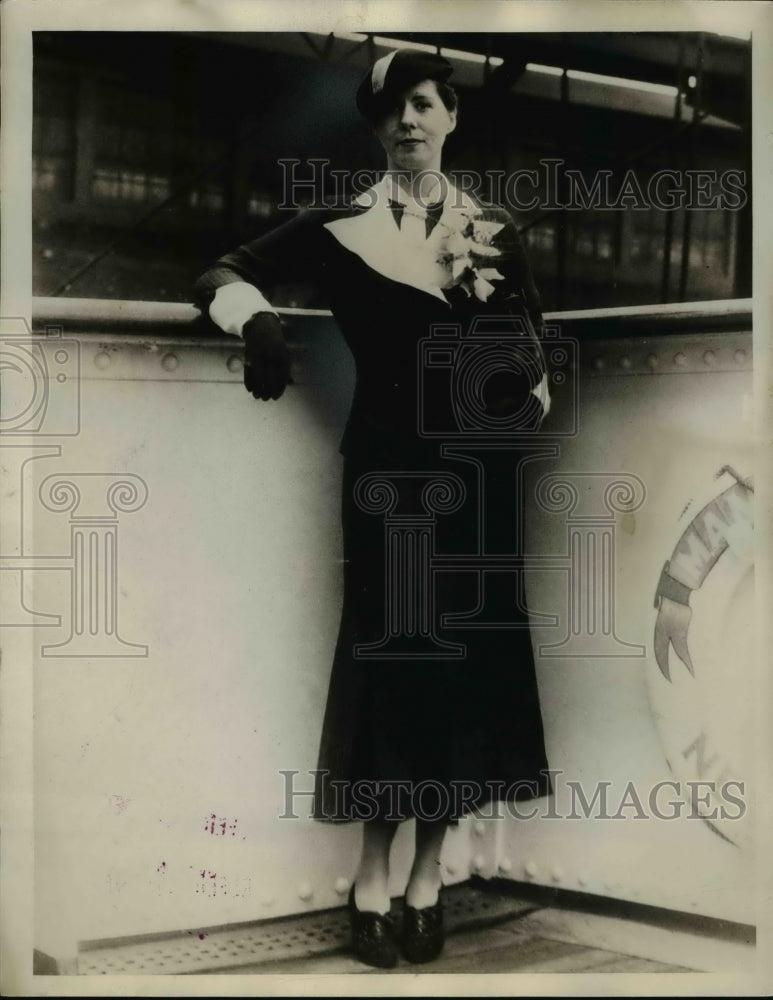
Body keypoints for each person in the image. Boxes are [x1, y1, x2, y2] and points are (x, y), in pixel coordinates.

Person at [194, 48, 553, 969]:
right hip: (388, 480)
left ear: (450, 117)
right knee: (394, 670)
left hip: (475, 482)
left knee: (459, 675)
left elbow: (534, 359)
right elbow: (223, 269)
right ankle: (370, 879)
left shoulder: (495, 233)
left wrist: (514, 389)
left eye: (424, 105)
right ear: (375, 126)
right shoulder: (342, 224)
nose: (408, 123)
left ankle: (429, 878)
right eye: (391, 111)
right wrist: (258, 322)